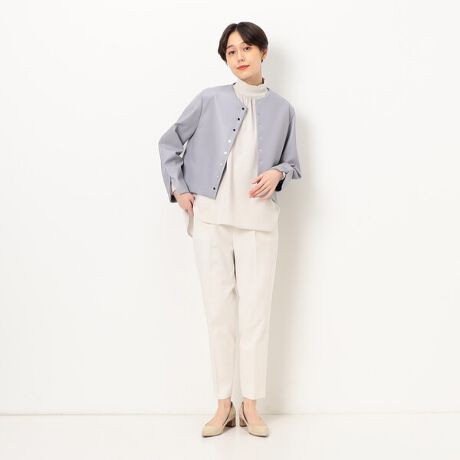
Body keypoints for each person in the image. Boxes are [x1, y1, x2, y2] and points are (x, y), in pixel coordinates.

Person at [158, 21, 302, 437]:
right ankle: (223, 406)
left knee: (256, 315)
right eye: (231, 51)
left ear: (263, 52)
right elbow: (169, 143)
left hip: (258, 222)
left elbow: (293, 163)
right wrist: (179, 188)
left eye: (246, 48)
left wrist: (277, 172)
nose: (239, 57)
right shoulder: (209, 99)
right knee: (219, 315)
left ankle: (251, 406)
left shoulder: (284, 109)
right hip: (211, 219)